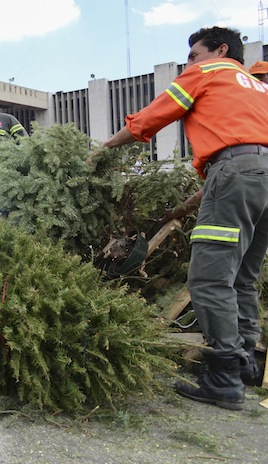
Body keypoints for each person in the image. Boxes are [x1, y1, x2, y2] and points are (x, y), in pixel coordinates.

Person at [101, 27, 268, 410]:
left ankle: (224, 379)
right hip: (261, 180)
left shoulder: (208, 72)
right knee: (242, 275)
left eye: (193, 54)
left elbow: (150, 118)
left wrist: (107, 147)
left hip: (236, 175)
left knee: (210, 278)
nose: (188, 62)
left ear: (220, 50)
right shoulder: (258, 89)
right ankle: (244, 365)